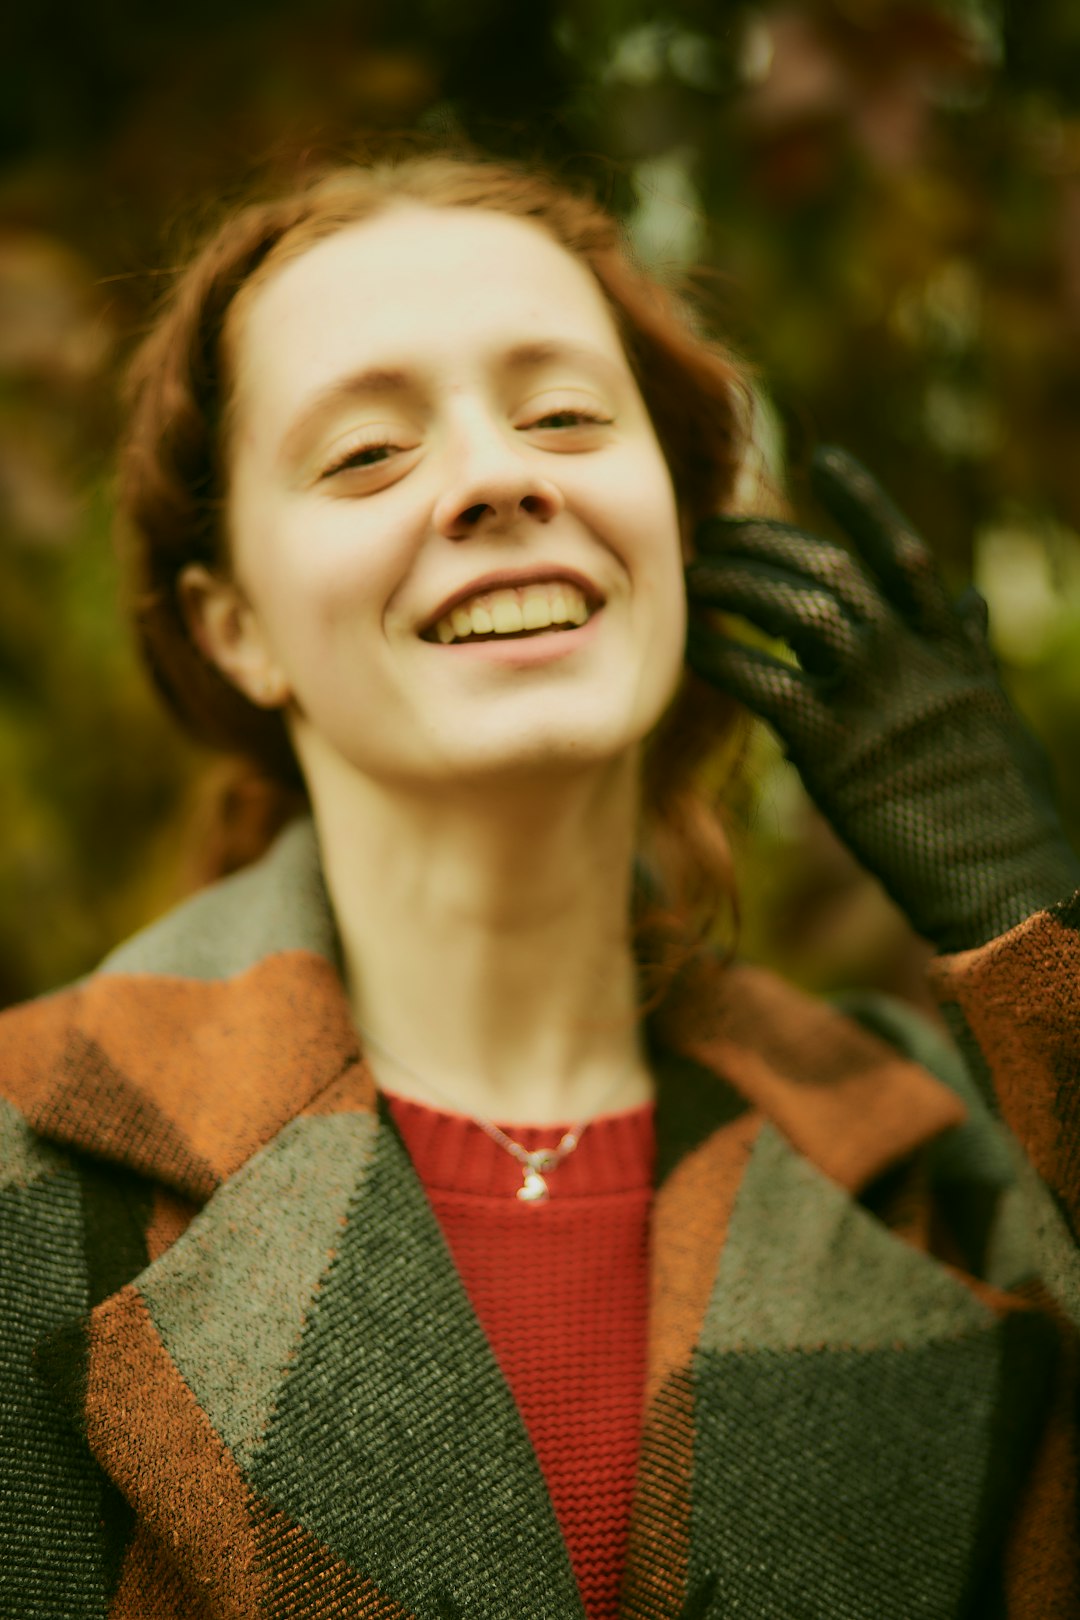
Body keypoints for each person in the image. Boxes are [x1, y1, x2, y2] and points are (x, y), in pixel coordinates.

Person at [0, 139, 1077, 1620]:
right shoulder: (29, 1172)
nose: (498, 478)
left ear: (681, 537)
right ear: (236, 624)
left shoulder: (935, 1159)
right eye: (367, 450)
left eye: (565, 416)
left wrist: (1037, 936)